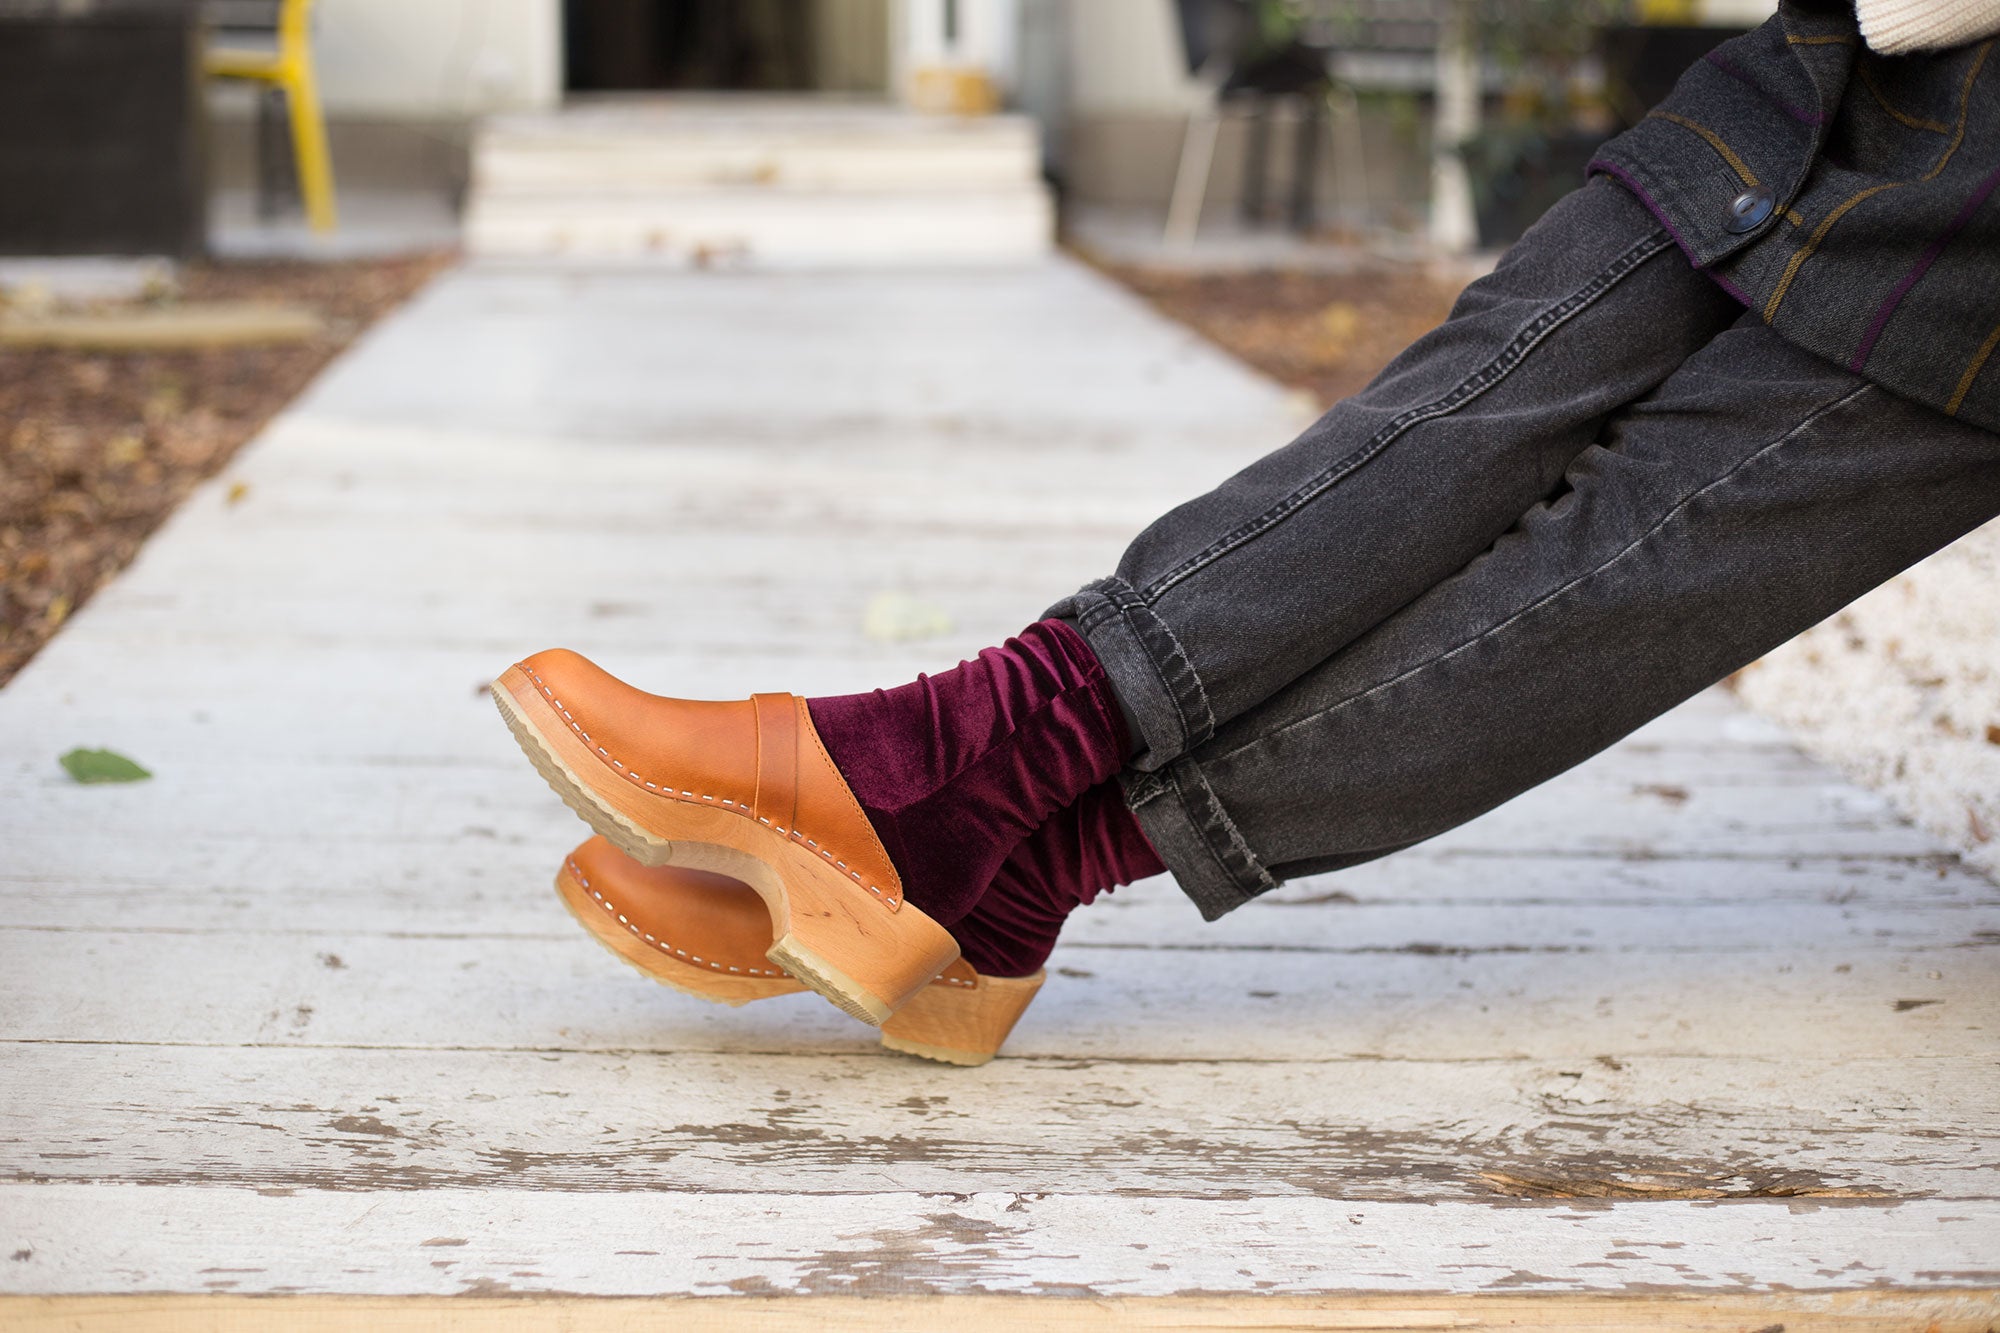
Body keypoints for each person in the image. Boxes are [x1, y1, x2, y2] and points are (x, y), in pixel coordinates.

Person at [494, 0, 2000, 1066]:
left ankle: (994, 827)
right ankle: (976, 797)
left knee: (1614, 570)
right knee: (1488, 375)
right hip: (1843, 58)